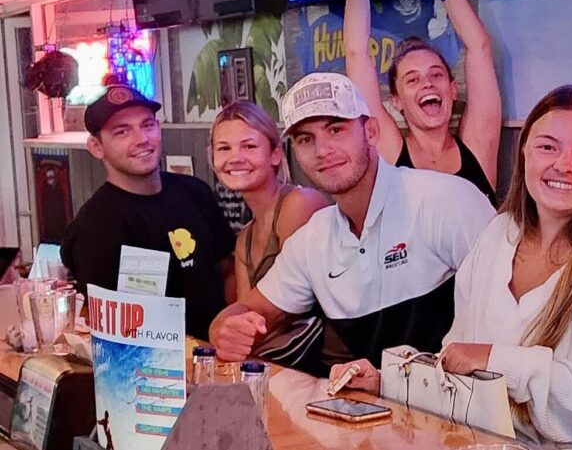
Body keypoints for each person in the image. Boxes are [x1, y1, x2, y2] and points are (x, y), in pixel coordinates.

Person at [331, 85, 572, 449]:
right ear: (524, 153)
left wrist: (497, 360)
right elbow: (458, 370)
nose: (564, 164)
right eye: (547, 146)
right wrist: (387, 380)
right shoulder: (499, 235)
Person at [210, 72, 495, 367]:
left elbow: (509, 322)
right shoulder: (313, 240)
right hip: (382, 407)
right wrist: (224, 330)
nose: (323, 151)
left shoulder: (446, 200)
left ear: (371, 131)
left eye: (336, 130)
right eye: (306, 139)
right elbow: (250, 310)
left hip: (466, 405)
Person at [61, 84, 235, 340]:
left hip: (223, 355)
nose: (142, 139)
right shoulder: (95, 226)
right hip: (159, 368)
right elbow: (118, 329)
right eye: (122, 131)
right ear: (96, 147)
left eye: (147, 125)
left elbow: (227, 269)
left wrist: (233, 330)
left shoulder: (195, 191)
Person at [344, 0, 501, 206]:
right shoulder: (392, 154)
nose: (427, 84)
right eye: (412, 79)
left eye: (436, 74)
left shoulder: (478, 145)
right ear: (396, 101)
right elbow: (356, 55)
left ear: (452, 90)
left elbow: (480, 47)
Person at [210, 101, 329, 368]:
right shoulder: (245, 239)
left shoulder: (299, 203)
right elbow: (245, 319)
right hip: (284, 369)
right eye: (224, 148)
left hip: (323, 368)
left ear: (275, 154)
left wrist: (229, 329)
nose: (236, 157)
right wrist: (227, 331)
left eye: (249, 146)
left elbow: (290, 307)